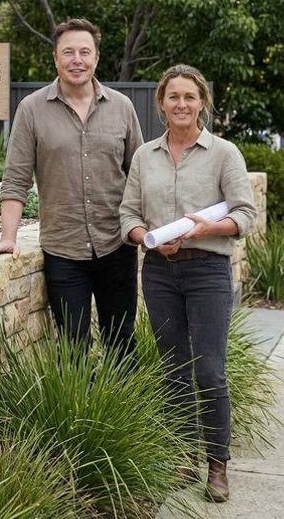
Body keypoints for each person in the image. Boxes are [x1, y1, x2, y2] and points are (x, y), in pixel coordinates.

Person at [119, 64, 257, 502]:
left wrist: (204, 230)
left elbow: (245, 214)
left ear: (203, 103)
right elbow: (128, 216)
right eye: (173, 96)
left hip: (208, 272)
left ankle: (217, 464)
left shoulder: (224, 153)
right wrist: (150, 240)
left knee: (210, 370)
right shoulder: (145, 156)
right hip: (159, 271)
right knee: (174, 368)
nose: (181, 104)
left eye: (189, 97)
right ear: (161, 103)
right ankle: (183, 455)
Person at [0, 18, 144, 358]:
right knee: (73, 347)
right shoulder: (32, 109)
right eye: (68, 52)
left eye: (85, 52)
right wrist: (8, 238)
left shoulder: (122, 108)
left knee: (122, 341)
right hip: (63, 250)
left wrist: (146, 230)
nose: (77, 59)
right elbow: (16, 179)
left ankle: (125, 409)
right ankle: (84, 411)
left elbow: (140, 176)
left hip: (116, 245)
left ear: (97, 58)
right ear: (55, 58)